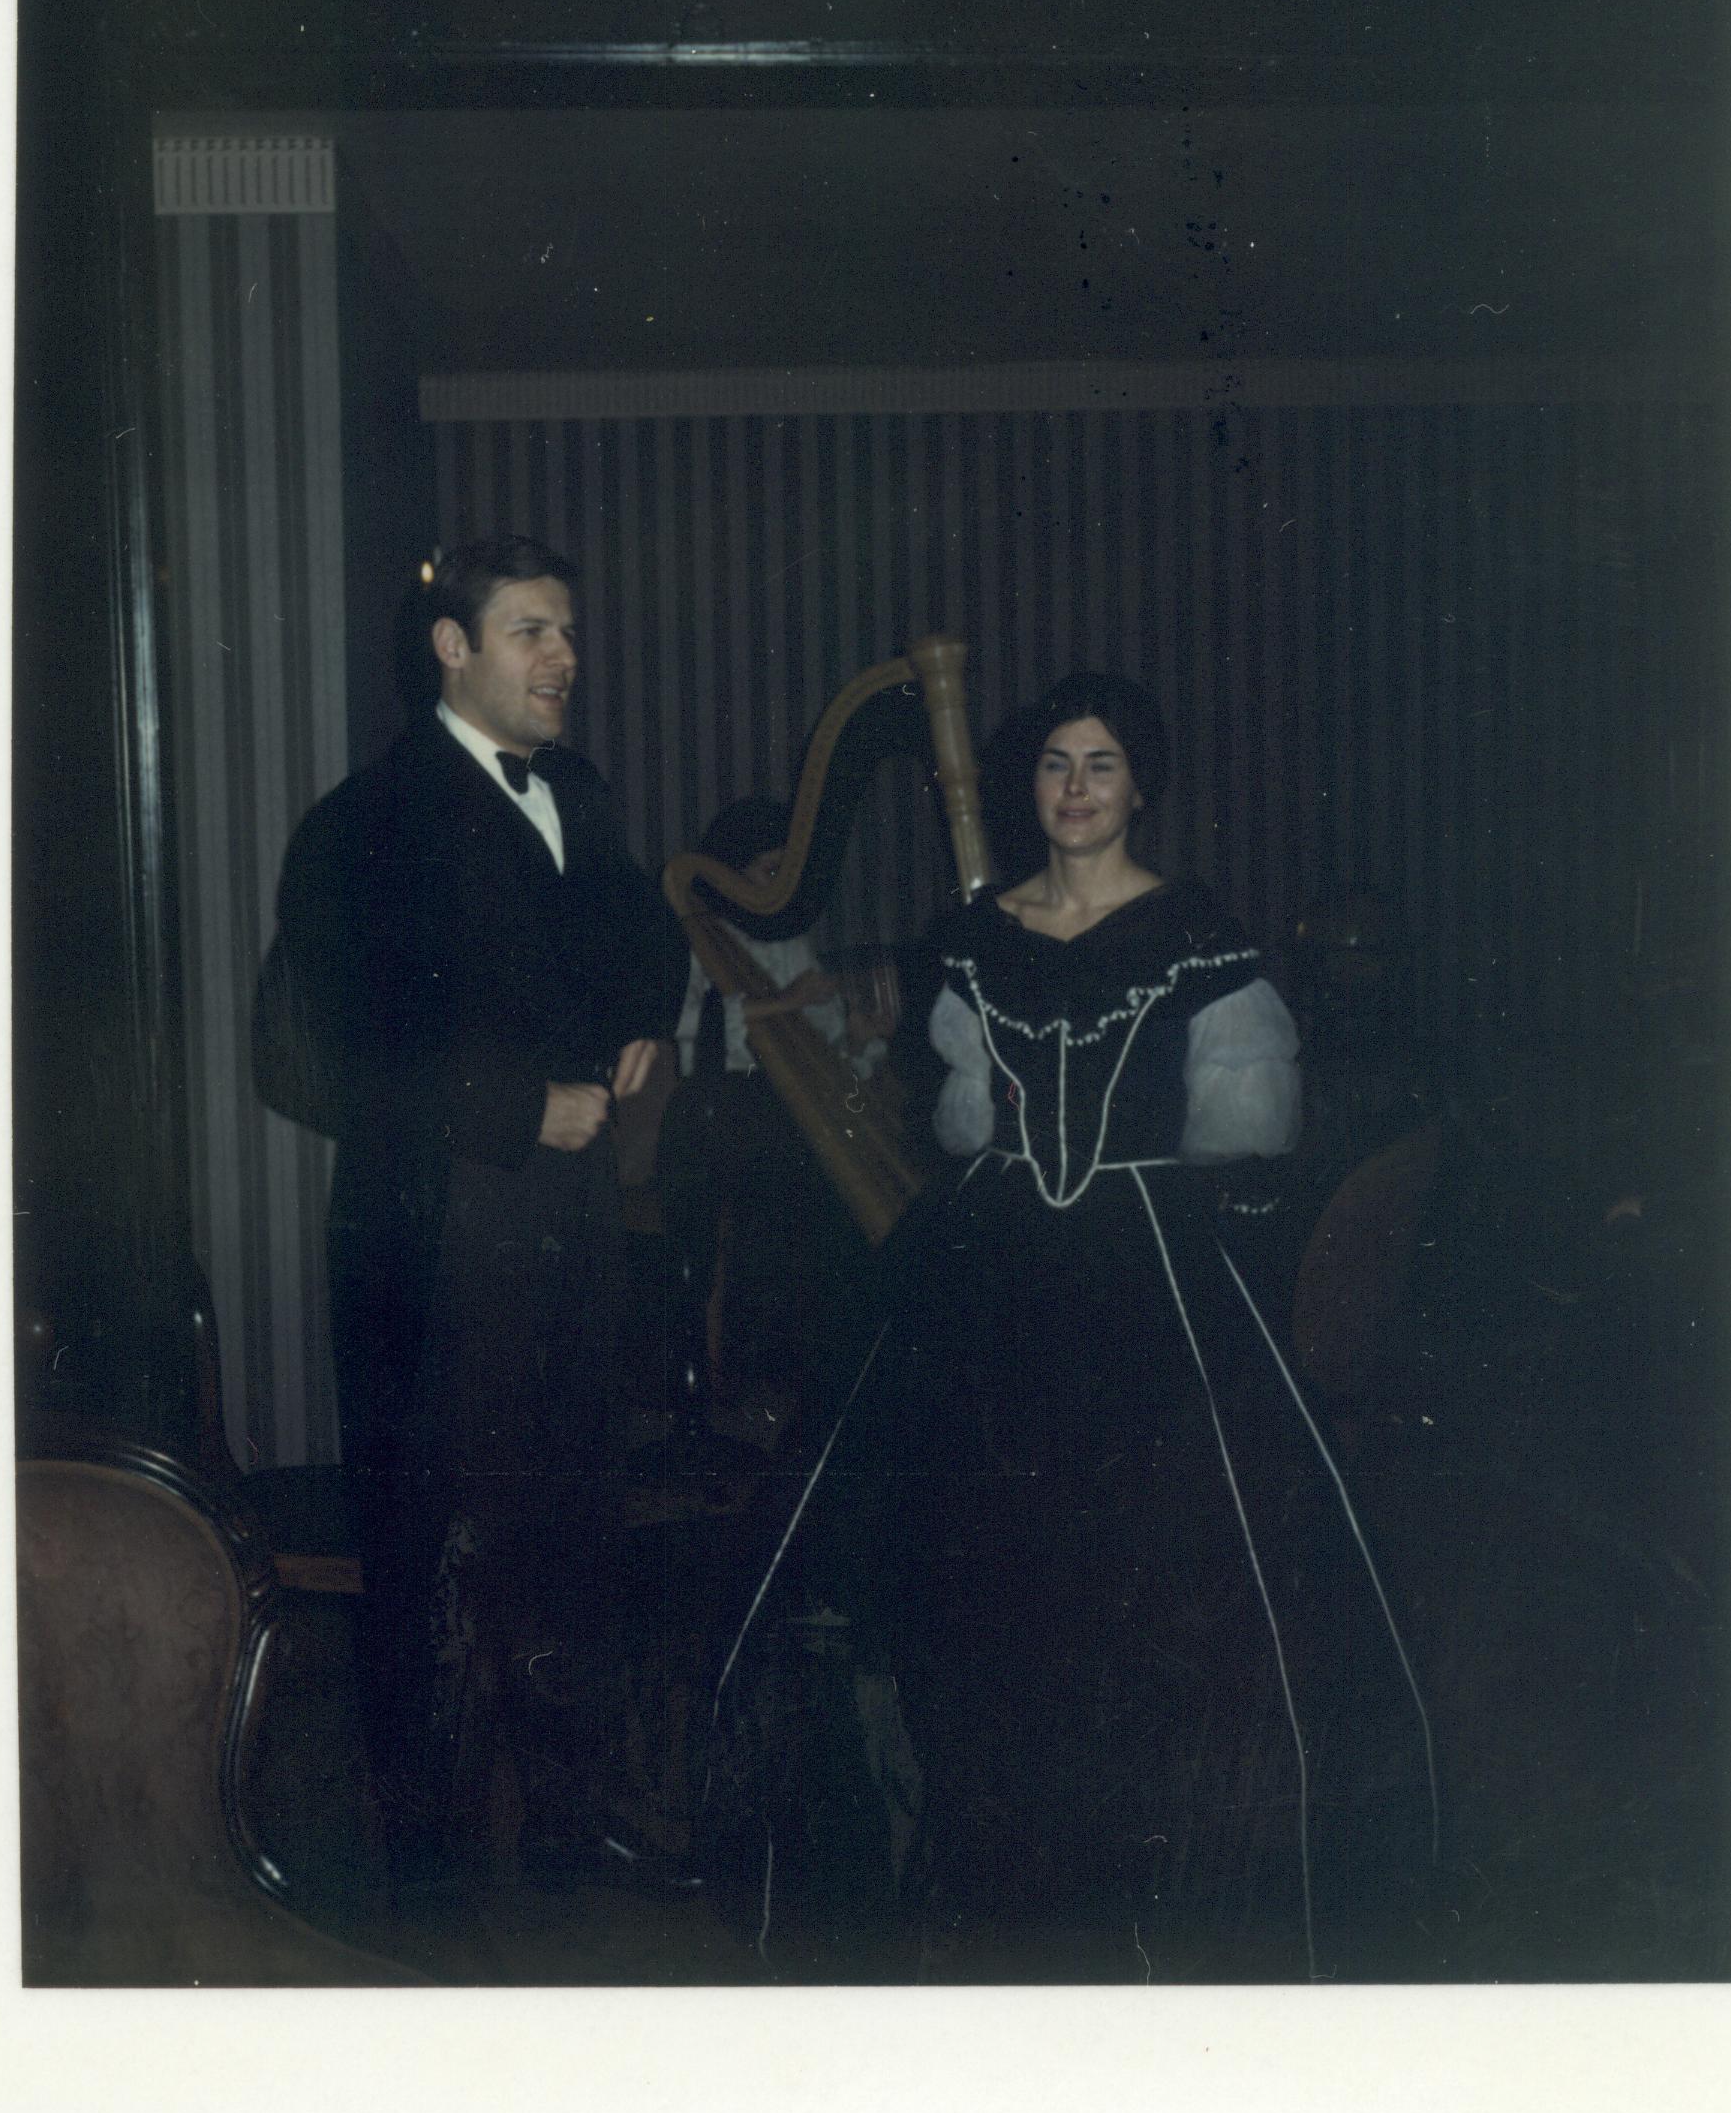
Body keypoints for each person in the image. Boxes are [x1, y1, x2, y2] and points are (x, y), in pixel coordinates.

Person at [725, 672, 1438, 1983]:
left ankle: (1126, 1842)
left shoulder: (1191, 932)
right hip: (988, 1268)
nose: (1072, 789)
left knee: (1138, 1560)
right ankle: (984, 1826)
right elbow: (963, 1125)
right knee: (976, 1553)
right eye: (1053, 764)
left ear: (1137, 785)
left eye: (1098, 765)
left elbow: (1240, 1128)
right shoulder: (975, 933)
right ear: (1028, 787)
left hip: (1141, 1270)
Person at [258, 537, 693, 1927]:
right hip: (438, 1227)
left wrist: (642, 1016)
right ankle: (430, 1878)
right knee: (437, 1545)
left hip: (571, 1225)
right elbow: (301, 1056)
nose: (564, 660)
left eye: (567, 632)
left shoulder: (578, 790)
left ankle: (575, 1827)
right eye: (530, 634)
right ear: (452, 649)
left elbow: (644, 938)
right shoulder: (363, 822)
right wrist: (513, 1107)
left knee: (572, 1519)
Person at [660, 798, 888, 1423]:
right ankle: (750, 1377)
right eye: (767, 871)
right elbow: (687, 1024)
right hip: (715, 1104)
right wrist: (783, 1002)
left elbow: (820, 1036)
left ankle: (824, 1371)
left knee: (837, 1187)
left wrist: (858, 1037)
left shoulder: (789, 935)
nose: (774, 887)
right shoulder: (696, 932)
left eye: (786, 873)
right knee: (785, 1186)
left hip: (783, 1104)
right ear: (732, 871)